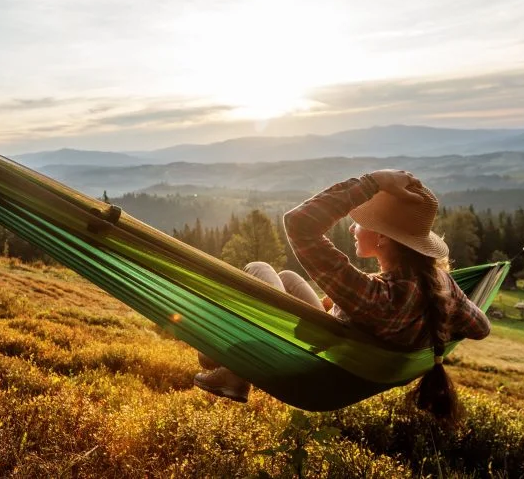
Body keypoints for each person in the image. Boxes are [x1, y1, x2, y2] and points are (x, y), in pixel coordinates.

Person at [193, 169, 491, 424]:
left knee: (258, 268)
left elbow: (299, 223)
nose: (352, 226)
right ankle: (227, 362)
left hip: (318, 366)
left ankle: (236, 374)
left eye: (362, 222)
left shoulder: (372, 296)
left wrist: (373, 180)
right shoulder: (441, 284)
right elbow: (480, 328)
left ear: (383, 237)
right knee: (286, 278)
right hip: (346, 356)